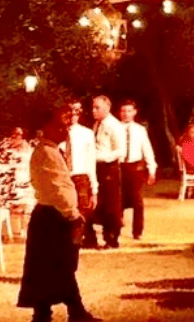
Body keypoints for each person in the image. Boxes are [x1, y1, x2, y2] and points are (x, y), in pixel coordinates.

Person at [17, 101, 96, 322]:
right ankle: (43, 318)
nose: (65, 128)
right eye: (59, 124)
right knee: (49, 267)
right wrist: (73, 215)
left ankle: (74, 311)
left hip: (53, 214)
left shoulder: (52, 151)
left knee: (61, 266)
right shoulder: (46, 153)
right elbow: (57, 188)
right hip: (52, 216)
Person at [116, 100, 157, 243]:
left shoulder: (140, 130)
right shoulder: (114, 128)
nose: (126, 114)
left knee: (137, 201)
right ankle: (116, 229)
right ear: (119, 112)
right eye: (123, 111)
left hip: (135, 167)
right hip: (118, 166)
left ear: (134, 112)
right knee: (118, 200)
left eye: (129, 111)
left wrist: (152, 170)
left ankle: (137, 231)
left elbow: (147, 150)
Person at [89, 94, 124, 248]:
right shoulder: (97, 124)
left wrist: (103, 157)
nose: (93, 111)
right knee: (98, 203)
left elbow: (120, 150)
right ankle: (96, 237)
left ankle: (112, 237)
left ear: (107, 108)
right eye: (93, 107)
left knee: (111, 204)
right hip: (96, 167)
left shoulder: (114, 125)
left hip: (108, 167)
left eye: (97, 108)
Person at [66, 102, 97, 235]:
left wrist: (94, 189)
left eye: (77, 111)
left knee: (82, 212)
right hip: (63, 176)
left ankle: (81, 239)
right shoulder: (57, 133)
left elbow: (91, 161)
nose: (73, 115)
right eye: (70, 111)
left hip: (80, 176)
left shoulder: (86, 133)